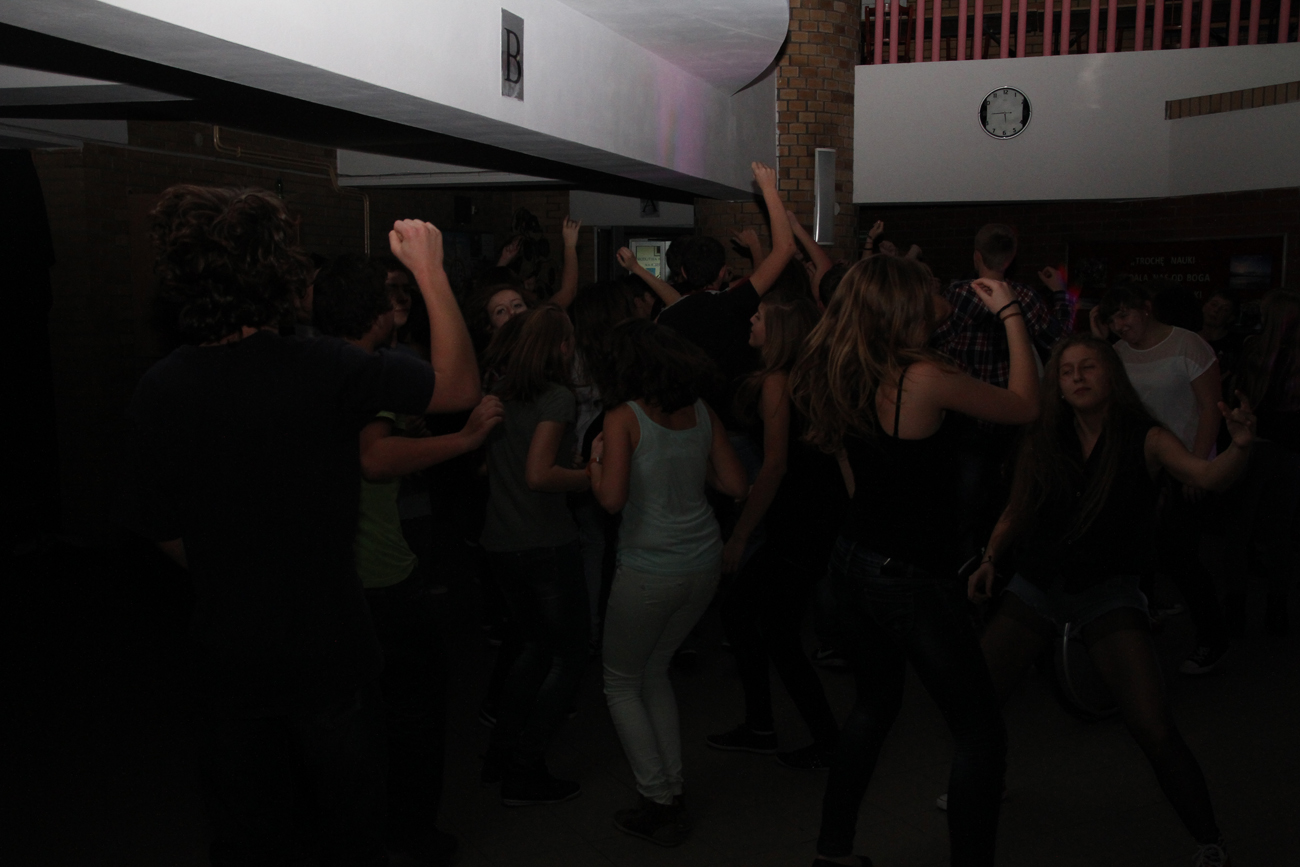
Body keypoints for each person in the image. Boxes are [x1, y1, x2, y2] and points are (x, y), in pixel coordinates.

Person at [120, 186, 479, 866]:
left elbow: (158, 524)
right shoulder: (321, 366)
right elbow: (459, 387)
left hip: (228, 655)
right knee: (350, 828)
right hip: (329, 649)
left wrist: (234, 568)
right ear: (280, 279)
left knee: (250, 833)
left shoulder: (160, 388)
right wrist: (430, 271)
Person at [789, 255, 1041, 867]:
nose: (938, 287)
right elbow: (1025, 405)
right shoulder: (922, 376)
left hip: (855, 561)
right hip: (907, 578)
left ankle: (832, 852)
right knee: (980, 733)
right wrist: (1011, 313)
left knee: (874, 706)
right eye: (926, 284)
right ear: (903, 304)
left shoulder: (850, 366)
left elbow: (852, 472)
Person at [968, 334, 1254, 867]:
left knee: (1152, 724)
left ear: (1111, 376)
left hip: (1107, 590)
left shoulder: (1146, 438)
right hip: (1038, 584)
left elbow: (1207, 477)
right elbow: (1017, 507)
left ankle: (1209, 840)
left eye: (1089, 367)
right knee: (976, 700)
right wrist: (989, 557)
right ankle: (985, 783)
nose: (1077, 378)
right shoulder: (1045, 436)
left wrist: (1237, 447)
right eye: (1067, 370)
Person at [313, 253, 505, 865]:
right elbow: (374, 457)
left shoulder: (306, 363)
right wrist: (464, 439)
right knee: (411, 713)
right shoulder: (366, 372)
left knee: (344, 720)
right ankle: (410, 836)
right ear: (376, 314)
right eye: (390, 298)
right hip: (379, 576)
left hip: (327, 575)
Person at [587, 319, 749, 847]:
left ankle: (657, 799)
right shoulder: (700, 410)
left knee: (620, 682)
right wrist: (688, 465)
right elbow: (735, 483)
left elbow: (611, 499)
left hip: (649, 568)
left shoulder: (622, 416)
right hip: (702, 561)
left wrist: (595, 464)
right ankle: (671, 791)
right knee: (654, 670)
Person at [707, 291, 847, 770]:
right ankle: (769, 727)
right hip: (814, 518)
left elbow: (774, 466)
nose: (751, 319)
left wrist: (740, 535)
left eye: (760, 316)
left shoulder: (778, 382)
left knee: (762, 623)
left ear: (781, 331)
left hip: (796, 523)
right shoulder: (813, 377)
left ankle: (809, 736)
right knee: (760, 621)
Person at [479, 304, 592, 806]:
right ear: (562, 347)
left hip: (501, 541)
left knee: (533, 648)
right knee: (569, 656)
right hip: (543, 542)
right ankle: (524, 769)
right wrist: (591, 476)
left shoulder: (500, 393)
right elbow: (540, 474)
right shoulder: (556, 396)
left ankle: (500, 754)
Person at [1095, 282, 1229, 674]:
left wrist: (1197, 466)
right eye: (1112, 319)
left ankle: (1213, 637)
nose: (1120, 325)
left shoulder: (1188, 345)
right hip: (1142, 465)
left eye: (1124, 315)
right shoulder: (1120, 352)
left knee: (1180, 555)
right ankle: (1143, 627)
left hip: (1183, 461)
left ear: (1145, 308)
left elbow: (1210, 408)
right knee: (1138, 550)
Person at [931, 223, 1076, 555]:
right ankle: (995, 560)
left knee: (963, 500)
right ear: (1010, 258)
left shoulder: (956, 295)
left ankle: (964, 563)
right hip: (1009, 415)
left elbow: (930, 339)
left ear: (977, 256)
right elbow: (1059, 340)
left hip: (963, 413)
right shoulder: (1023, 297)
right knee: (1006, 497)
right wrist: (1059, 293)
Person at [1221, 290, 1300, 637]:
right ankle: (1277, 611)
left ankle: (1235, 611)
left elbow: (1238, 401)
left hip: (1252, 448)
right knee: (1281, 535)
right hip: (1290, 452)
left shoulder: (1252, 351)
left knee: (1238, 532)